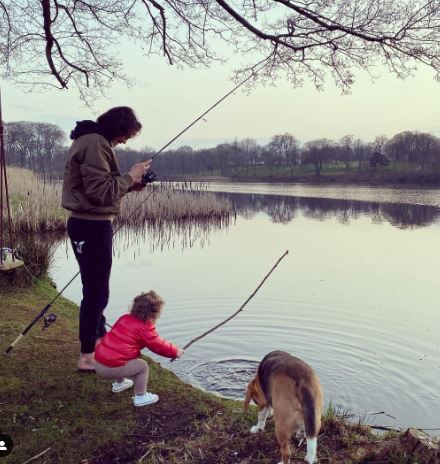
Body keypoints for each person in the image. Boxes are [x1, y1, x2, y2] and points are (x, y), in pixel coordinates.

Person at [62, 106, 151, 372]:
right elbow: (101, 192)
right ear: (117, 128)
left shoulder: (92, 140)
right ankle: (88, 354)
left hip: (88, 225)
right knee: (96, 291)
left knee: (96, 288)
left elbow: (101, 189)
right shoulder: (94, 143)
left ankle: (98, 340)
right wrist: (130, 176)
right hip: (91, 226)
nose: (125, 141)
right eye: (126, 135)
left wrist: (130, 184)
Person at [94, 290, 183, 407]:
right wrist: (176, 352)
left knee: (118, 354)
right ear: (153, 315)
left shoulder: (124, 318)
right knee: (142, 366)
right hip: (109, 368)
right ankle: (140, 397)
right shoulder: (145, 329)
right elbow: (159, 346)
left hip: (98, 362)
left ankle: (119, 384)